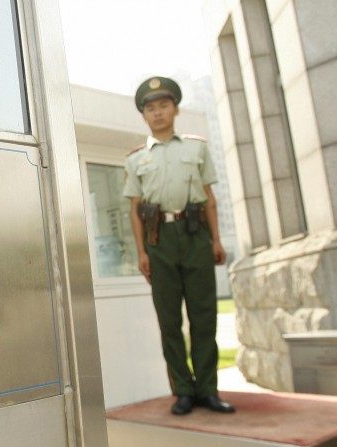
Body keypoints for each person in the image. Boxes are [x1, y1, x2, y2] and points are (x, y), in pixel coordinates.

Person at [123, 76, 235, 416]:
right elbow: (135, 209)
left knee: (204, 316)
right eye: (150, 108)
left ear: (176, 109)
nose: (157, 113)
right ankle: (183, 390)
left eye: (163, 105)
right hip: (159, 241)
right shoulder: (136, 159)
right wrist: (142, 252)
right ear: (144, 116)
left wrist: (215, 240)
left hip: (195, 235)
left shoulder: (196, 148)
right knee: (169, 320)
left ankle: (208, 390)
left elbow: (210, 198)